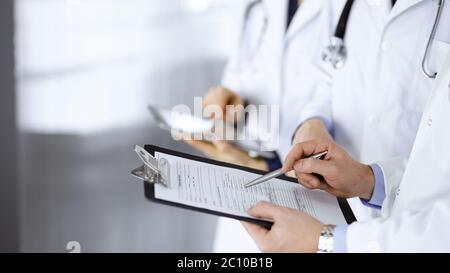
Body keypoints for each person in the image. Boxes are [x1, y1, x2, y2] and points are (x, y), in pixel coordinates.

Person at [290, 0, 450, 221]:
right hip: (335, 211)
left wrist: (370, 180)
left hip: (416, 224)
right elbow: (326, 73)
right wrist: (313, 123)